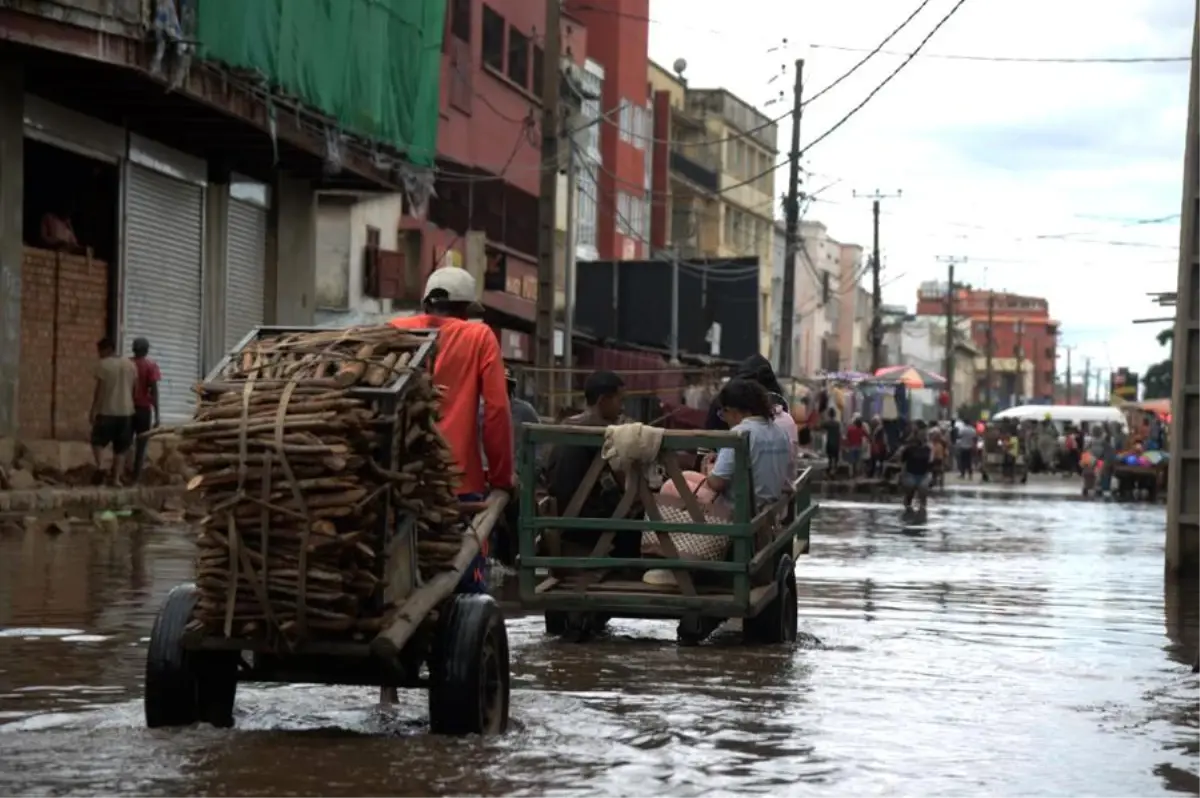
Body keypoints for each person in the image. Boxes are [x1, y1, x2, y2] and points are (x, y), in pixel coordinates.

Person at [390, 267, 513, 593]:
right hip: (459, 484)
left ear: (427, 303)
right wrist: (501, 478)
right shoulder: (478, 336)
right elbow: (497, 411)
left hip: (396, 479)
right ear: (465, 309)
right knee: (465, 583)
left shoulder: (393, 331)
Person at [545, 371, 640, 557]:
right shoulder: (596, 431)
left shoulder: (571, 423)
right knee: (640, 524)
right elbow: (621, 477)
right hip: (578, 520)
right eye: (620, 401)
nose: (622, 408)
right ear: (603, 401)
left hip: (566, 514)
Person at [703, 378, 792, 507]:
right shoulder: (780, 432)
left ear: (733, 411)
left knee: (671, 486)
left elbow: (716, 482)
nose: (725, 420)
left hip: (740, 511)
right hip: (768, 506)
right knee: (688, 477)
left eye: (723, 413)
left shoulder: (739, 433)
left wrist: (708, 468)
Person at [89, 337, 137, 486]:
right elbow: (134, 387)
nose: (99, 354)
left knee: (96, 441)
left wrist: (93, 409)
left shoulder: (103, 365)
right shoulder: (130, 364)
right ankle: (116, 479)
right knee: (121, 447)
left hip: (107, 411)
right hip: (127, 412)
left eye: (100, 351)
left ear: (107, 349)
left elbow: (100, 390)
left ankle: (102, 466)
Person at [130, 337, 161, 481]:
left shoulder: (127, 364)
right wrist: (157, 414)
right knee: (141, 444)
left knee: (125, 443)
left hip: (127, 409)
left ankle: (119, 473)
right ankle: (135, 477)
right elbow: (154, 390)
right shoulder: (151, 365)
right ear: (146, 350)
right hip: (143, 410)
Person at [897, 424, 934, 516]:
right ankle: (908, 510)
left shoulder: (928, 448)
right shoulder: (909, 448)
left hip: (923, 474)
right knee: (910, 493)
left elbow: (930, 461)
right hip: (910, 473)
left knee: (923, 492)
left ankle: (922, 511)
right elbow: (902, 460)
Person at [822, 407, 842, 473]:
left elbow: (820, 427)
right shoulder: (837, 424)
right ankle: (835, 468)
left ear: (829, 414)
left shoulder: (827, 423)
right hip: (836, 442)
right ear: (835, 414)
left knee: (830, 457)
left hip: (830, 442)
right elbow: (839, 433)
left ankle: (830, 467)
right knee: (836, 457)